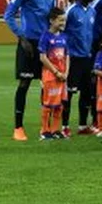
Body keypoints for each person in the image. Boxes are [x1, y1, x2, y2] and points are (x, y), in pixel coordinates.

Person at [4, 0, 62, 141]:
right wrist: (22, 37)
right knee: (24, 84)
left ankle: (47, 128)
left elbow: (51, 16)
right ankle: (18, 127)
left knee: (47, 84)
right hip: (28, 43)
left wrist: (55, 37)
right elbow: (8, 14)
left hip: (45, 43)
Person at [64, 0, 97, 135]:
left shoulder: (92, 11)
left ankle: (83, 126)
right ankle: (64, 126)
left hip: (87, 58)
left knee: (87, 92)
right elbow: (61, 31)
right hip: (73, 58)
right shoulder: (71, 11)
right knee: (69, 93)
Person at [38, 9, 69, 141]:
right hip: (51, 75)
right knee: (48, 104)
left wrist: (66, 73)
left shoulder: (64, 37)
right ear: (52, 20)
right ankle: (45, 131)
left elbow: (67, 56)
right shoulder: (45, 36)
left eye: (64, 20)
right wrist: (55, 72)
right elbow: (43, 57)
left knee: (59, 104)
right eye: (61, 20)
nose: (63, 23)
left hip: (62, 76)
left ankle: (56, 130)